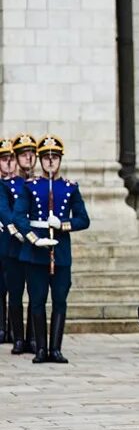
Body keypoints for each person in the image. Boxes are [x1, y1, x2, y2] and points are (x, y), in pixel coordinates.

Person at [14, 135, 90, 364]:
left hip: (60, 252)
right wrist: (34, 239)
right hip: (36, 252)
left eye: (54, 158)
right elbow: (19, 216)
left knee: (59, 300)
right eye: (46, 158)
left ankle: (56, 348)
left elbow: (83, 219)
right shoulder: (30, 186)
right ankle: (41, 349)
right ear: (40, 160)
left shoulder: (69, 187)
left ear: (60, 160)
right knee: (37, 301)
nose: (50, 162)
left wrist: (63, 224)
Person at [11, 134, 38, 354]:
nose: (27, 158)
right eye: (23, 155)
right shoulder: (10, 184)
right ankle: (19, 337)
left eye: (31, 154)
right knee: (16, 293)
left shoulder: (38, 184)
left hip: (33, 246)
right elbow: (9, 211)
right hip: (14, 245)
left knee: (35, 294)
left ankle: (33, 338)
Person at [0, 137, 19, 345]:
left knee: (12, 286)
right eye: (4, 159)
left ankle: (13, 329)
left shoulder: (21, 185)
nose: (8, 163)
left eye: (11, 159)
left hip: (11, 241)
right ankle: (1, 328)